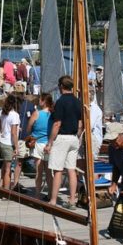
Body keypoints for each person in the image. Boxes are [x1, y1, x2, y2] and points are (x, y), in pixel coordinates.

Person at [45, 76, 82, 209]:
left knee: (58, 170)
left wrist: (50, 142)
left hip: (62, 137)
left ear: (61, 86)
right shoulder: (78, 101)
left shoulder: (60, 102)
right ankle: (72, 200)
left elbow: (57, 124)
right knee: (71, 170)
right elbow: (80, 123)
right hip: (74, 138)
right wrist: (76, 136)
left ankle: (53, 200)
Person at [26, 93, 54, 199]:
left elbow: (28, 127)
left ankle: (37, 194)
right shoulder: (53, 114)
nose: (38, 102)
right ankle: (50, 194)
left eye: (40, 100)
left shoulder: (36, 113)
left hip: (38, 143)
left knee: (39, 171)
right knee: (48, 171)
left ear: (43, 101)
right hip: (49, 144)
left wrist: (31, 133)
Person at [13, 90, 36, 192]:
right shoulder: (12, 104)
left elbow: (33, 121)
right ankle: (14, 183)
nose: (20, 95)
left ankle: (16, 183)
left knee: (21, 161)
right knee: (16, 162)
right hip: (14, 138)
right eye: (18, 93)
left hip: (25, 138)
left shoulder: (30, 105)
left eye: (21, 93)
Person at [0, 94, 20, 191]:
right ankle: (6, 191)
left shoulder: (2, 112)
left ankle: (0, 186)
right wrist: (16, 147)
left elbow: (2, 126)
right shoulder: (14, 115)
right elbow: (14, 133)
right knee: (8, 169)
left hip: (1, 141)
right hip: (8, 143)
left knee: (4, 165)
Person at [90, 92, 103, 160]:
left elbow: (90, 125)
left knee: (91, 160)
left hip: (93, 138)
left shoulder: (94, 108)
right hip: (90, 137)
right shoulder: (90, 107)